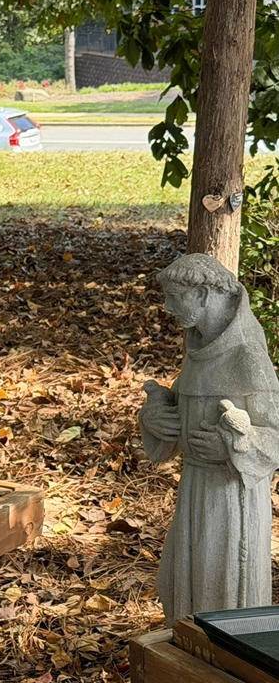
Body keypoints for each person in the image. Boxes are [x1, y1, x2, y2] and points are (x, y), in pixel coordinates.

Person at [139, 253, 279, 624]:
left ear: (202, 294)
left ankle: (225, 657)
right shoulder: (199, 347)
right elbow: (179, 405)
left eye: (174, 297)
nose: (167, 307)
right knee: (182, 586)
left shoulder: (246, 354)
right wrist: (155, 416)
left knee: (223, 592)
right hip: (194, 488)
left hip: (232, 498)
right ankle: (188, 649)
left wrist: (235, 444)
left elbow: (275, 435)